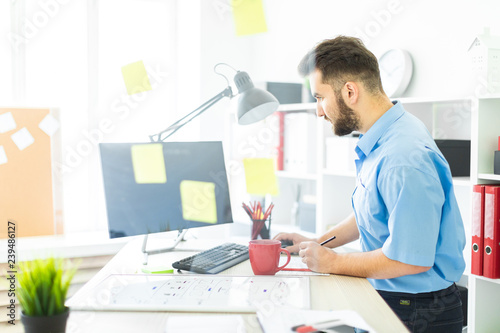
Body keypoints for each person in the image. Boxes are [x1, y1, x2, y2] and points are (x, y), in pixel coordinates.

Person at [274, 36, 466, 333]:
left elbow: (408, 260)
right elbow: (372, 212)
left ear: (349, 91)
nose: (319, 111)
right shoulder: (382, 137)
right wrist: (317, 243)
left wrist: (333, 263)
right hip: (393, 299)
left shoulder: (403, 157)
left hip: (415, 311)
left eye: (319, 97)